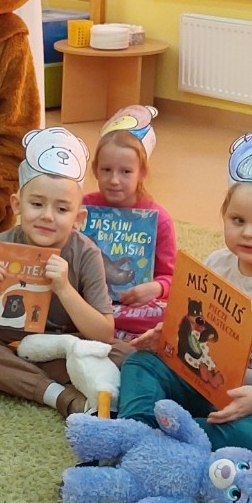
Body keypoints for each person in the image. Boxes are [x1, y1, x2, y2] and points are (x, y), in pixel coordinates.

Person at [121, 129, 252, 455]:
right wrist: (167, 336)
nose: (248, 233)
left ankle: (167, 442)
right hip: (212, 379)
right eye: (237, 220)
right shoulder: (216, 264)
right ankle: (138, 429)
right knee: (140, 364)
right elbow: (195, 322)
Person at [0, 127, 119, 418]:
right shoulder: (2, 244)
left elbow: (105, 334)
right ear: (17, 205)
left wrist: (65, 289)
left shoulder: (87, 253)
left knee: (125, 355)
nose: (47, 216)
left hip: (64, 348)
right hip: (11, 344)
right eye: (36, 204)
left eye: (62, 209)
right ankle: (59, 395)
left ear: (79, 218)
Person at [82, 106, 176, 339]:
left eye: (125, 172)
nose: (114, 180)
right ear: (95, 170)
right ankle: (109, 332)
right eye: (106, 170)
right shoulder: (82, 209)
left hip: (133, 307)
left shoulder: (159, 219)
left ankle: (105, 331)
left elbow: (172, 278)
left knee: (175, 316)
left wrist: (155, 288)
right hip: (87, 302)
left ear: (142, 172)